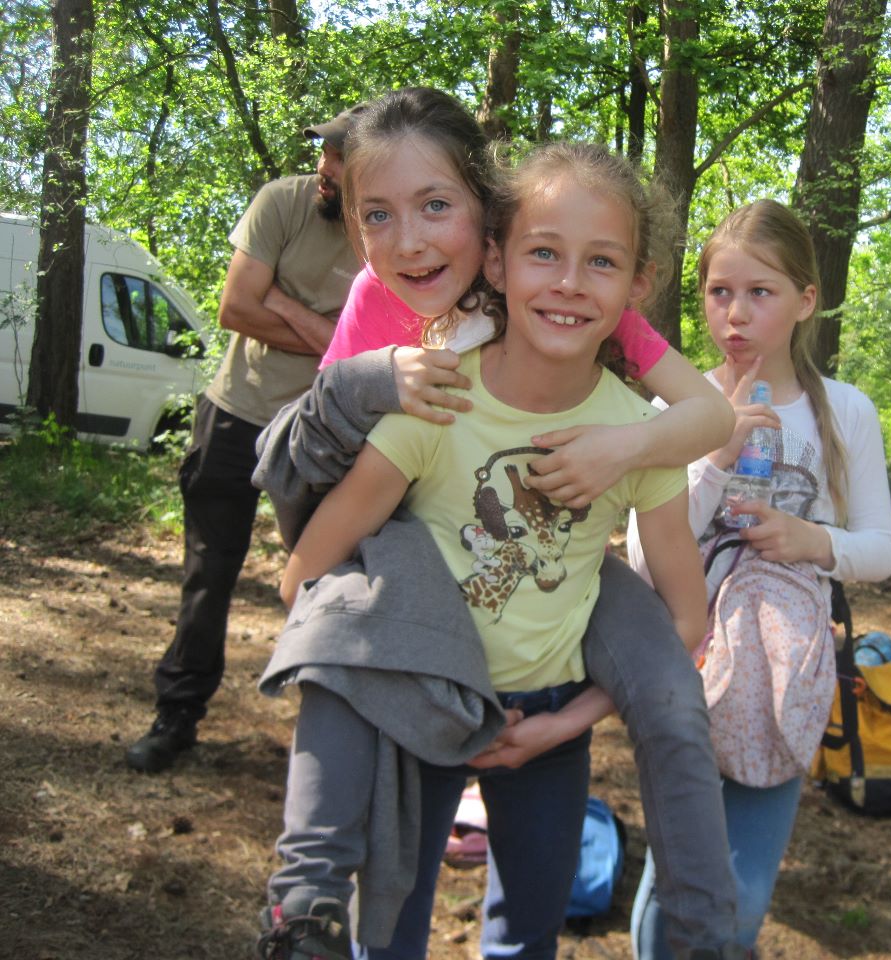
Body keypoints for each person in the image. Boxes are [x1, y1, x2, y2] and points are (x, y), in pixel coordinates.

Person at [252, 88, 744, 960]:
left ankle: (707, 935)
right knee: (389, 928)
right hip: (425, 690)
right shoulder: (427, 379)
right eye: (543, 254)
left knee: (532, 930)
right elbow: (314, 510)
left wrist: (623, 449)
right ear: (502, 260)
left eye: (435, 205)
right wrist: (343, 619)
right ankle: (306, 903)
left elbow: (702, 442)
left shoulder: (621, 378)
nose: (566, 280)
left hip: (548, 709)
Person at [627, 199, 891, 957]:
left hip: (785, 676)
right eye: (719, 292)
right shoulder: (674, 404)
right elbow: (648, 560)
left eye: (760, 292)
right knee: (676, 884)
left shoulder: (843, 412)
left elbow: (881, 549)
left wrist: (811, 539)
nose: (735, 314)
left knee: (742, 901)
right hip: (685, 671)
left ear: (806, 300)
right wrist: (714, 453)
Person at [124, 105, 366, 774]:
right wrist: (312, 322)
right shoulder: (281, 202)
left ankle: (336, 737)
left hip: (324, 434)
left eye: (342, 156)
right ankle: (176, 715)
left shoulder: (385, 240)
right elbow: (236, 308)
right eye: (325, 150)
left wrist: (279, 303)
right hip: (234, 414)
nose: (327, 166)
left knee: (329, 582)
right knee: (209, 576)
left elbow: (357, 354)